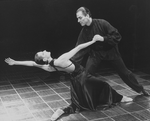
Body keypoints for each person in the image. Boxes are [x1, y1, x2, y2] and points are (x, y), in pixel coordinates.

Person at [5, 36, 132, 121]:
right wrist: (94, 41)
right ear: (44, 58)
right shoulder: (61, 59)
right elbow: (79, 47)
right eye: (43, 52)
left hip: (75, 81)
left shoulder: (49, 67)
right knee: (104, 85)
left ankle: (61, 110)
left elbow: (32, 63)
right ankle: (121, 98)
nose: (44, 50)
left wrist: (15, 62)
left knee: (77, 104)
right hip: (83, 76)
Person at [71, 6, 149, 96]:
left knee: (124, 73)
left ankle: (140, 88)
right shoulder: (84, 32)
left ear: (87, 15)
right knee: (87, 74)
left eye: (80, 18)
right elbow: (79, 48)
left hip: (111, 52)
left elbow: (117, 36)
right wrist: (70, 62)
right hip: (96, 54)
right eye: (77, 18)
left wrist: (102, 38)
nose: (78, 21)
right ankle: (85, 96)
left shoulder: (102, 23)